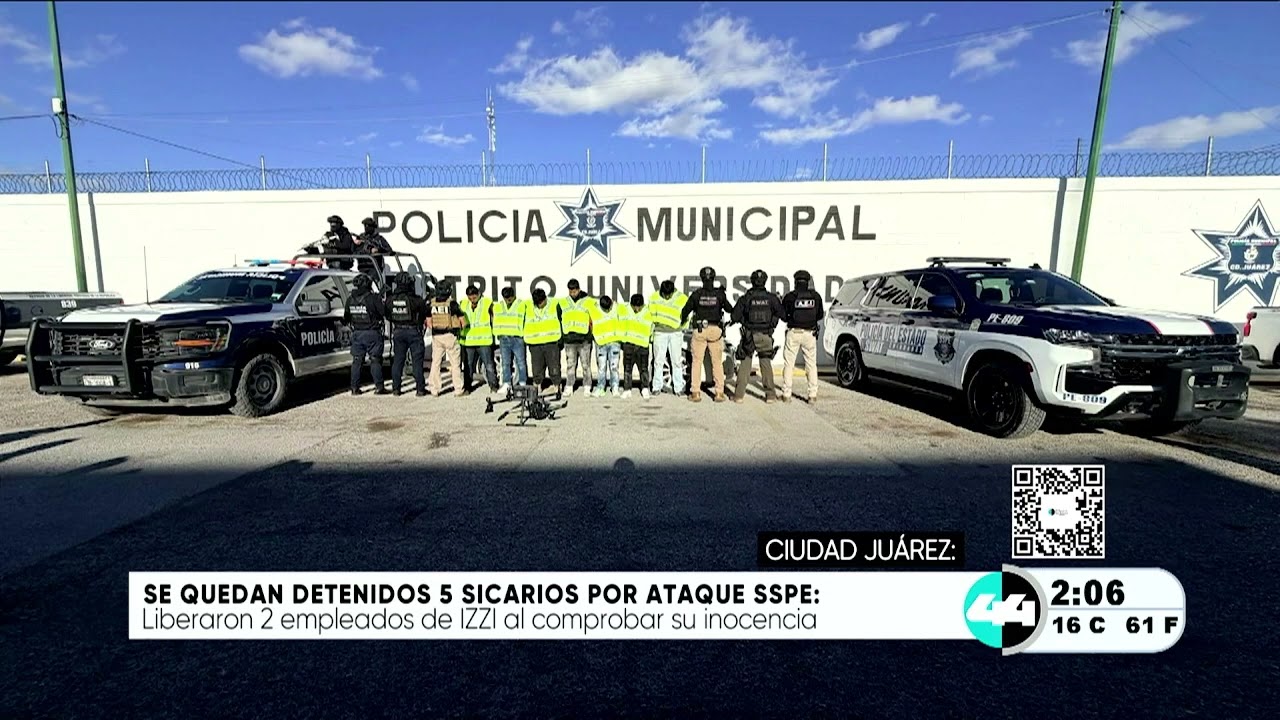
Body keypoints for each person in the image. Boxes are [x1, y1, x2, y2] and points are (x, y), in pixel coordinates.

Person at [680, 266, 733, 403]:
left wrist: (682, 321)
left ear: (702, 279)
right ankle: (719, 393)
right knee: (717, 362)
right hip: (715, 330)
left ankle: (695, 393)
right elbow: (729, 309)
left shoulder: (697, 294)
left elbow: (685, 311)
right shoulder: (719, 294)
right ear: (713, 278)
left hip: (700, 330)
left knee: (697, 362)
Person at [732, 269, 785, 404]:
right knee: (765, 363)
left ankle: (738, 396)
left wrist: (745, 322)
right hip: (766, 335)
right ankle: (770, 396)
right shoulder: (771, 298)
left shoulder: (746, 298)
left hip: (749, 336)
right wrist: (772, 323)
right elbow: (783, 315)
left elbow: (734, 316)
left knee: (745, 364)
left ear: (752, 281)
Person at [780, 269, 826, 404]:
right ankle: (812, 395)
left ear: (795, 282)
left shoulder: (790, 297)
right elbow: (820, 315)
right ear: (808, 282)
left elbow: (783, 316)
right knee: (811, 365)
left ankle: (786, 394)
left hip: (794, 333)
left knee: (789, 364)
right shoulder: (815, 296)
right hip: (809, 334)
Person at [343, 272, 387, 395]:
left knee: (357, 361)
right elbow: (383, 313)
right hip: (372, 333)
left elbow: (346, 317)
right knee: (375, 360)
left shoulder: (350, 299)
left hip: (357, 333)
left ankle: (354, 388)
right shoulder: (373, 298)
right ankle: (379, 387)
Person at [386, 272, 428, 397]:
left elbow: (387, 315)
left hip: (398, 331)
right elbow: (424, 314)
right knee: (417, 362)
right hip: (414, 331)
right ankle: (420, 389)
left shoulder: (390, 299)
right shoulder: (416, 299)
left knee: (398, 361)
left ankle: (396, 389)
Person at [426, 281, 467, 397]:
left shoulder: (431, 304)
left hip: (437, 337)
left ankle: (434, 389)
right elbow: (463, 321)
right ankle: (458, 389)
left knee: (436, 363)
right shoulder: (452, 304)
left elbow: (429, 323)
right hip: (450, 336)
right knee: (455, 364)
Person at [648, 279, 688, 396]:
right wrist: (651, 333)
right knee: (658, 361)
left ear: (673, 291)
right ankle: (656, 387)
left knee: (676, 361)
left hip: (675, 333)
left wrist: (681, 327)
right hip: (660, 332)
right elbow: (650, 316)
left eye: (668, 295)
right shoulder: (654, 297)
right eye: (664, 294)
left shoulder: (682, 298)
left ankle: (678, 388)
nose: (666, 297)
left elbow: (687, 316)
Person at [558, 279, 596, 395]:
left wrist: (589, 336)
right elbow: (559, 319)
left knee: (586, 365)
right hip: (569, 340)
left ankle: (587, 386)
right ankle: (569, 386)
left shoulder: (588, 301)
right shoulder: (562, 303)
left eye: (574, 291)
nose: (572, 293)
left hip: (584, 340)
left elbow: (595, 317)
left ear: (579, 290)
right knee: (570, 365)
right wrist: (562, 337)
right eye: (570, 291)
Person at [459, 284, 499, 395]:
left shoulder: (486, 303)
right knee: (468, 366)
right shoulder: (463, 304)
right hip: (468, 341)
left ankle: (493, 386)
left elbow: (494, 317)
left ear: (479, 294)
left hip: (484, 341)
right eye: (470, 297)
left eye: (474, 296)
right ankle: (467, 387)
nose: (472, 299)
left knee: (489, 365)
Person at [522, 288, 563, 392]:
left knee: (554, 366)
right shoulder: (527, 305)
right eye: (537, 303)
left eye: (541, 302)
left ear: (545, 298)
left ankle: (557, 385)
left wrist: (561, 339)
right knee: (537, 367)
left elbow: (561, 318)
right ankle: (537, 385)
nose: (539, 304)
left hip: (552, 341)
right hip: (535, 342)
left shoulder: (554, 303)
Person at [617, 293, 654, 399]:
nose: (637, 309)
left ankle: (645, 388)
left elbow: (652, 328)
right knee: (627, 369)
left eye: (639, 307)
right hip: (629, 344)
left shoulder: (648, 312)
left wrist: (650, 340)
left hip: (643, 345)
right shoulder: (624, 309)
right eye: (635, 307)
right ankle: (627, 389)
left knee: (644, 369)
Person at [492, 286, 528, 392]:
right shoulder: (498, 306)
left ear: (513, 296)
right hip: (504, 338)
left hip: (517, 338)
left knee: (521, 362)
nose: (508, 300)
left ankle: (522, 384)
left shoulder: (521, 304)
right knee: (505, 363)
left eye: (510, 297)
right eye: (506, 298)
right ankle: (506, 383)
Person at [589, 294, 622, 398]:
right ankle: (600, 388)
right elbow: (590, 322)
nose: (608, 310)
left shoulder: (617, 307)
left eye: (609, 308)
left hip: (614, 342)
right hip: (601, 343)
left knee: (614, 367)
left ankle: (615, 387)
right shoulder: (594, 308)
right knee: (601, 367)